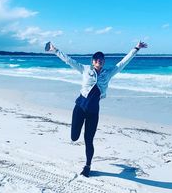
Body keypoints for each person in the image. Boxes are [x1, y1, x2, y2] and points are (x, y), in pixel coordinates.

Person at [45, 41, 148, 177]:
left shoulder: (108, 73)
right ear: (93, 62)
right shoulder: (85, 69)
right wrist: (55, 50)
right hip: (80, 108)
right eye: (97, 59)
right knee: (74, 137)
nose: (99, 61)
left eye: (101, 60)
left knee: (89, 140)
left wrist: (136, 49)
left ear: (103, 62)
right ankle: (77, 133)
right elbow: (68, 60)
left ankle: (87, 166)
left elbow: (123, 63)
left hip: (93, 112)